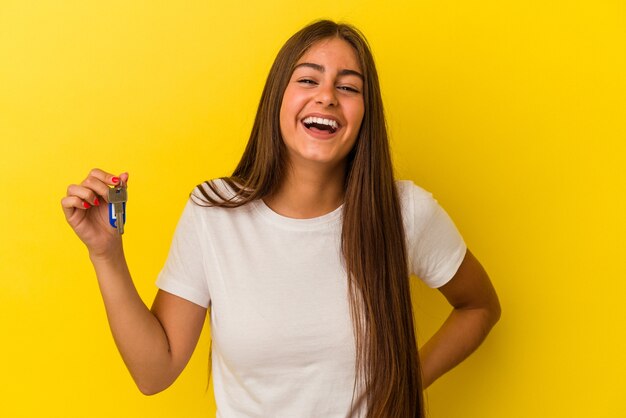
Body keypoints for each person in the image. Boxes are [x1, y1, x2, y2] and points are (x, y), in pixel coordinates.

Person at [61, 20, 500, 418]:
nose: (326, 95)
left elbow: (479, 306)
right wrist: (106, 254)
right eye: (308, 79)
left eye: (348, 87)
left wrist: (404, 389)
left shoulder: (405, 212)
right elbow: (154, 374)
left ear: (365, 115)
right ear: (278, 99)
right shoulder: (213, 211)